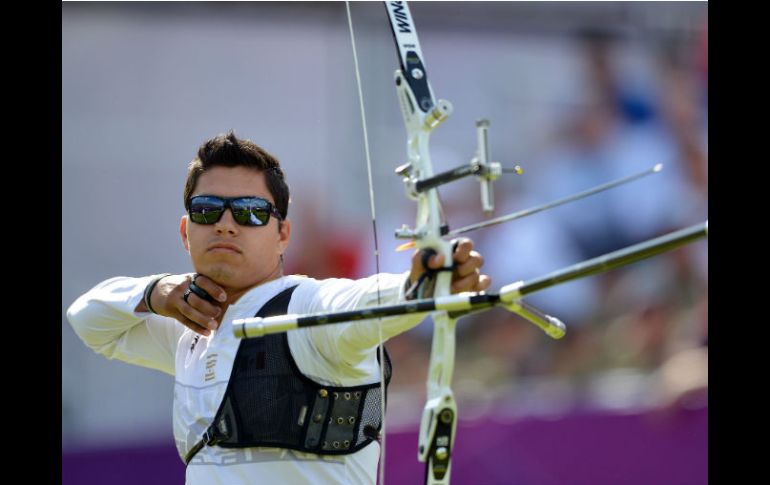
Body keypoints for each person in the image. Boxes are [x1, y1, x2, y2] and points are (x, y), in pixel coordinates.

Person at [66, 130, 491, 485]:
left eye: (251, 212)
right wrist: (156, 292)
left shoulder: (305, 307)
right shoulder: (190, 330)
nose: (226, 223)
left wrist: (422, 286)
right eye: (207, 210)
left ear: (283, 234)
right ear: (185, 231)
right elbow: (87, 319)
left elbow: (361, 302)